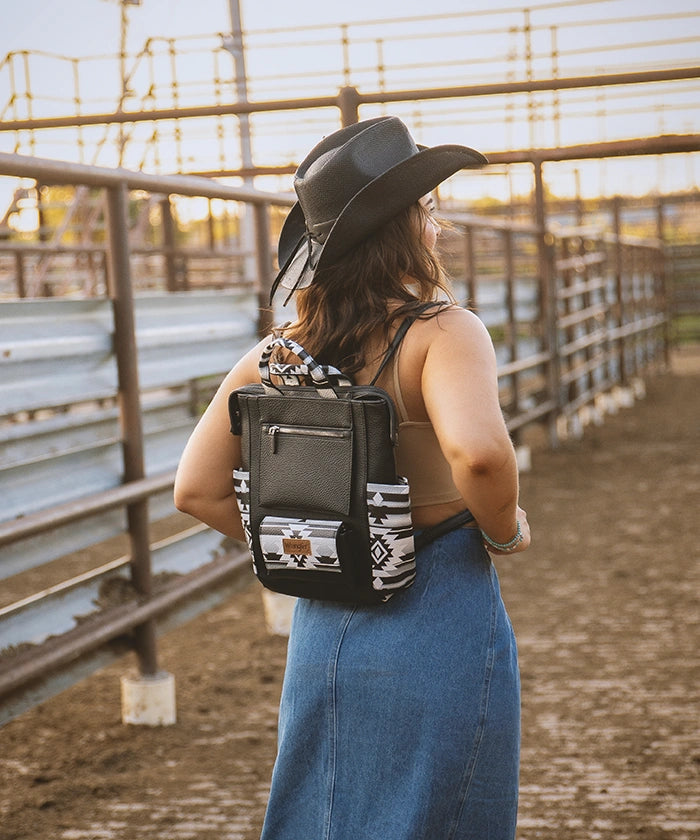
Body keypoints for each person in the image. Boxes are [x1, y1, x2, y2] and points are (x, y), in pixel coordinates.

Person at [174, 115, 531, 840]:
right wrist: (505, 531)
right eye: (427, 208)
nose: (436, 223)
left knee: (325, 812)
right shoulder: (442, 332)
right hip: (437, 603)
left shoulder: (275, 355)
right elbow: (481, 456)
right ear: (403, 229)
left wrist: (320, 546)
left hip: (323, 615)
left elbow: (196, 490)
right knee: (440, 812)